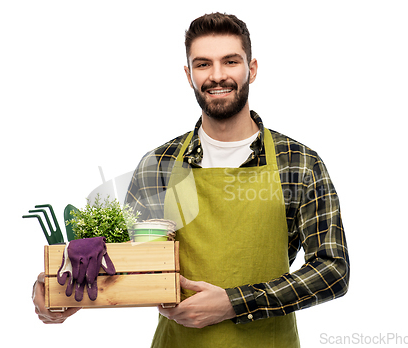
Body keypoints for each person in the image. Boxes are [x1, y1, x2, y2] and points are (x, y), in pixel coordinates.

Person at [33, 12, 349, 348]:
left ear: (251, 69)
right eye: (203, 64)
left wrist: (234, 303)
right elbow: (121, 265)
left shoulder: (298, 162)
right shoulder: (160, 165)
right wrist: (58, 286)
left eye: (230, 62)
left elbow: (332, 270)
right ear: (189, 74)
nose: (217, 76)